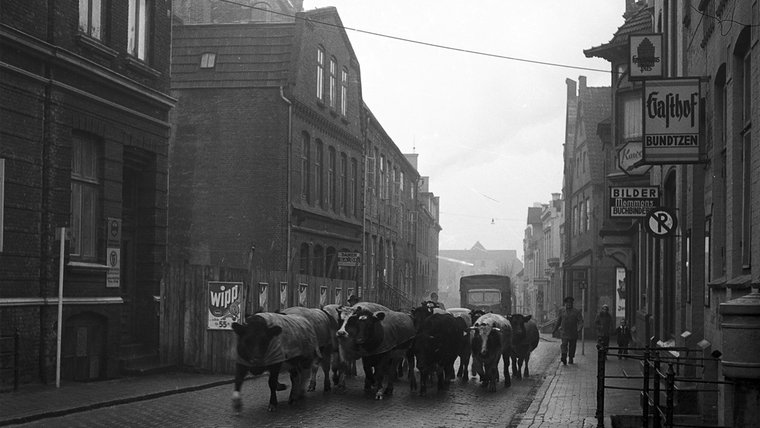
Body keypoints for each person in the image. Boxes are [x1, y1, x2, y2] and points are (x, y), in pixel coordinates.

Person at [552, 296, 583, 365]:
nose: (569, 304)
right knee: (564, 344)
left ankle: (571, 357)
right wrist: (554, 329)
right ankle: (564, 356)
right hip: (564, 332)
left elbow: (580, 321)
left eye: (570, 303)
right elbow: (558, 321)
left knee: (572, 346)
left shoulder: (576, 312)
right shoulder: (561, 311)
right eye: (567, 303)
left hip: (573, 332)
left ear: (572, 303)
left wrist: (579, 328)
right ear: (565, 303)